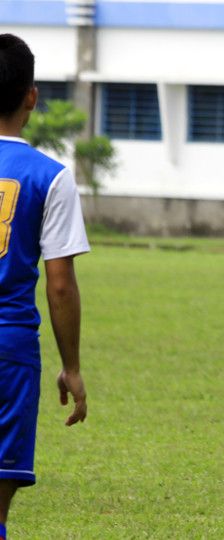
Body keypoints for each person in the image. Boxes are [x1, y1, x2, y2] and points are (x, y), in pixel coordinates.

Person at [0, 33, 90, 540]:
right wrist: (71, 366)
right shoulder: (50, 177)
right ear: (31, 95)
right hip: (9, 350)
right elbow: (59, 284)